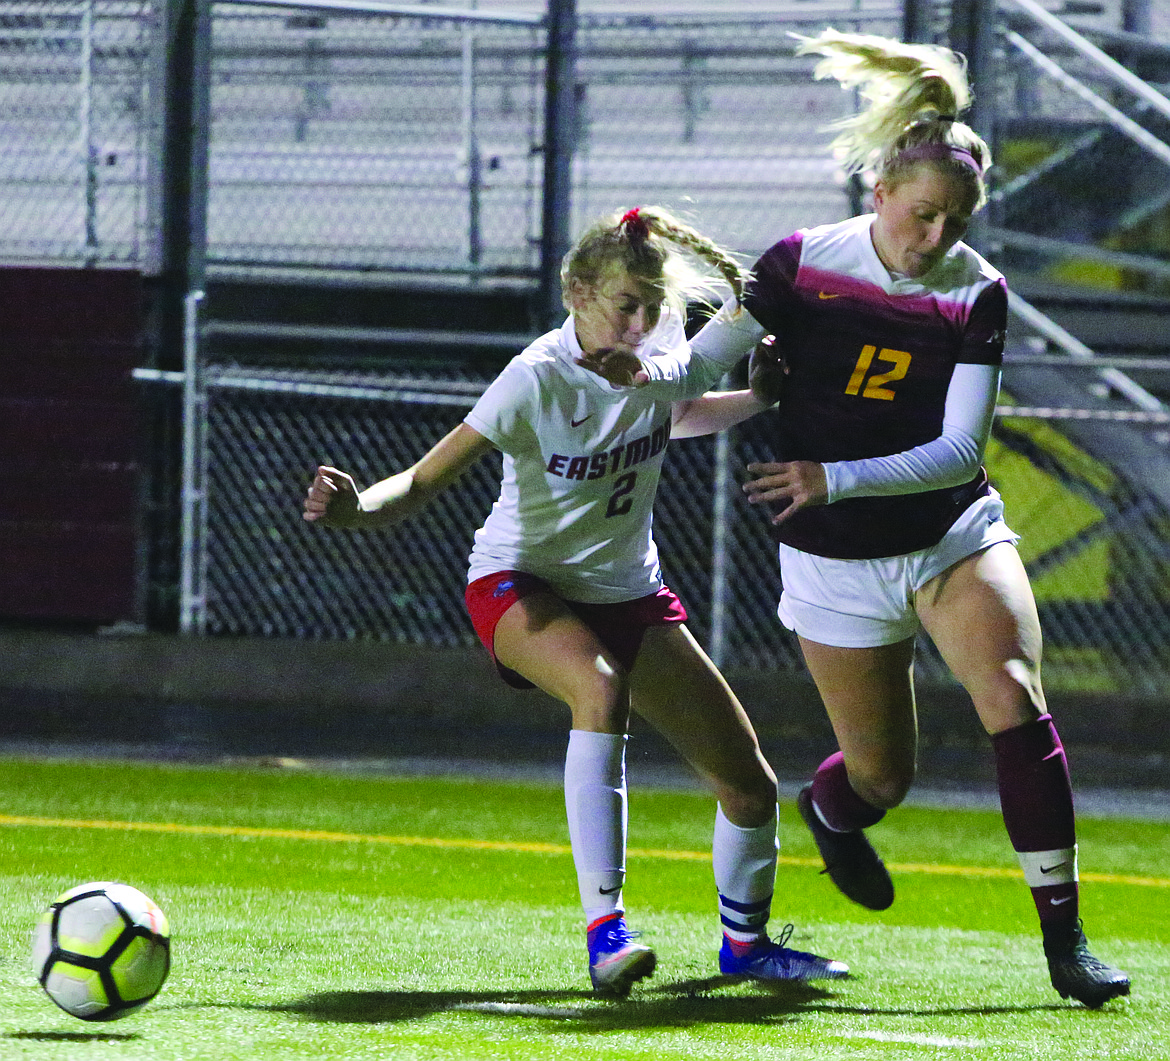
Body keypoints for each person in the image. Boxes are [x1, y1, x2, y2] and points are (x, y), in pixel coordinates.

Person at [630, 31, 1131, 1009]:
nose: (933, 233)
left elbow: (958, 451)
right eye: (920, 213)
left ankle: (1067, 941)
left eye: (952, 218)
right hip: (836, 562)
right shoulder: (800, 265)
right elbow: (688, 381)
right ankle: (834, 807)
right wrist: (613, 357)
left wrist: (833, 475)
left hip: (951, 533)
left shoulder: (974, 291)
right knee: (880, 776)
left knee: (1014, 695)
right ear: (879, 193)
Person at [302, 205, 848, 997]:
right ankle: (606, 931)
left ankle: (746, 944)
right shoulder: (536, 375)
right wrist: (357, 509)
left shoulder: (657, 352)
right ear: (577, 292)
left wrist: (757, 399)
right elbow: (423, 480)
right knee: (599, 687)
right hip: (518, 580)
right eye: (625, 304)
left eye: (652, 306)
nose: (641, 321)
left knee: (751, 784)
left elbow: (680, 411)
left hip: (627, 588)